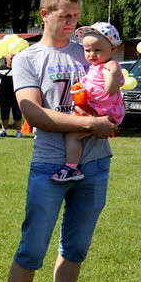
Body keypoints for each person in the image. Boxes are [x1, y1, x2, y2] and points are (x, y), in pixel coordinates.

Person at [0, 0, 117, 282]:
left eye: (76, 16)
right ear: (45, 14)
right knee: (32, 247)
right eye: (65, 16)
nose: (72, 23)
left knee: (76, 246)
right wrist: (87, 126)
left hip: (95, 164)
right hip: (49, 164)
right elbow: (32, 113)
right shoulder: (29, 58)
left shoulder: (90, 52)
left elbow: (111, 91)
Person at [52, 22, 124, 182]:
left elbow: (111, 89)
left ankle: (72, 168)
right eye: (88, 50)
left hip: (104, 113)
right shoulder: (97, 66)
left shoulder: (110, 66)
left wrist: (112, 73)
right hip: (97, 109)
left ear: (113, 49)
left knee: (72, 135)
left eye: (98, 50)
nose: (92, 54)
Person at [0, 54, 23, 138]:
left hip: (16, 95)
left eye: (14, 58)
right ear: (6, 59)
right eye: (11, 58)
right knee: (4, 113)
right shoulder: (1, 68)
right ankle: (4, 130)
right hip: (4, 95)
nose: (13, 60)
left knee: (17, 113)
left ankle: (18, 132)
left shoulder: (19, 68)